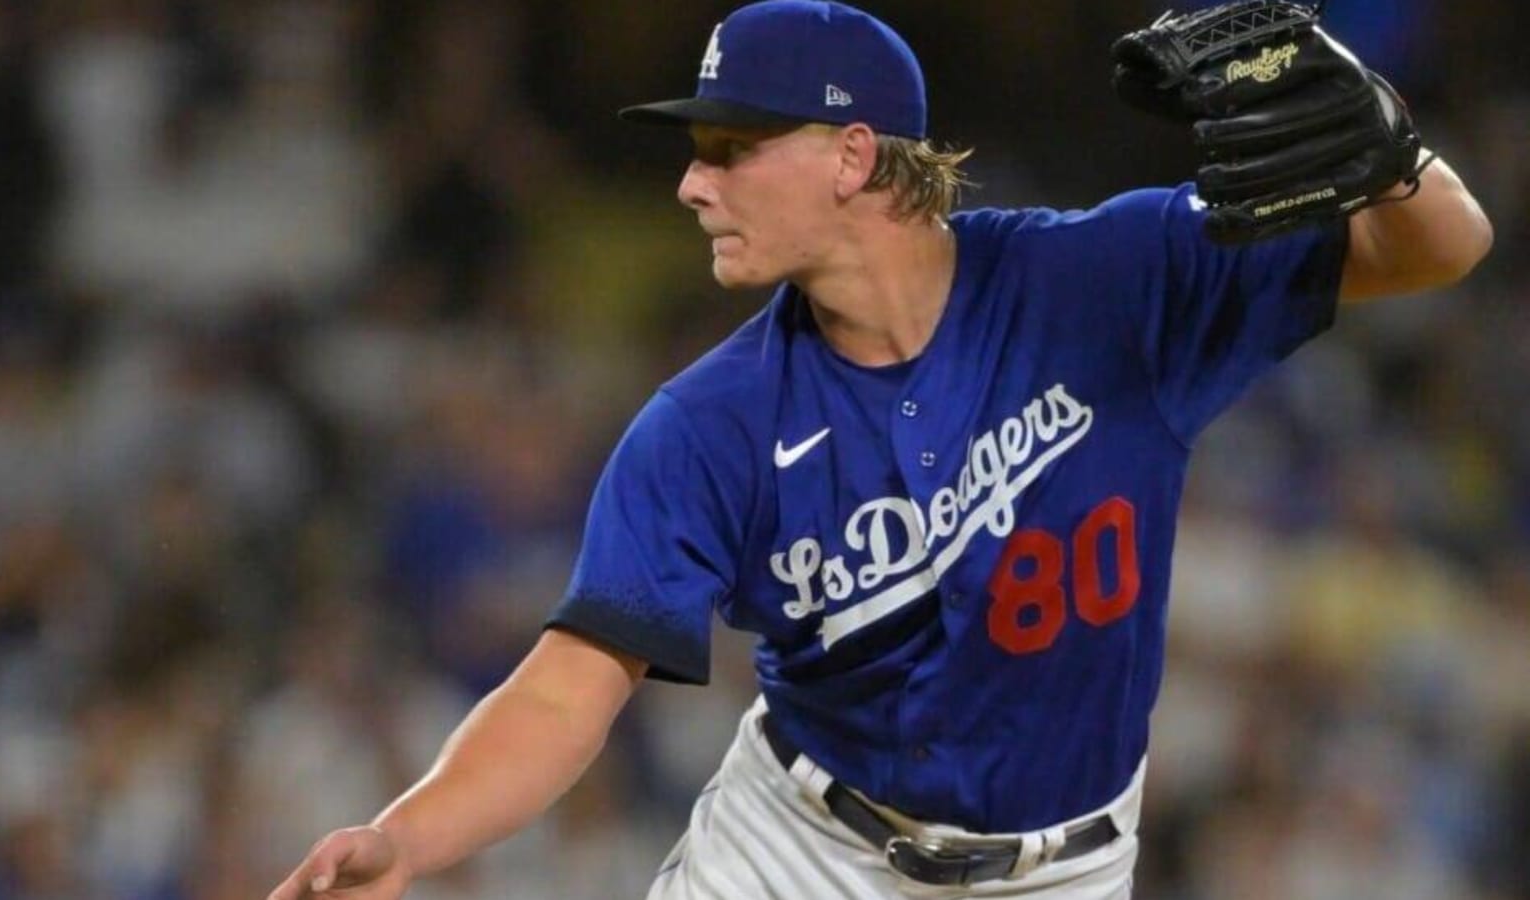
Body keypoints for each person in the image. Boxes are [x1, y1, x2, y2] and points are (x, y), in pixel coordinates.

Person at [267, 2, 1493, 898]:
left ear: (853, 155)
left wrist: (1384, 150)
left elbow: (1442, 246)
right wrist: (409, 838)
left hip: (1058, 873)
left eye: (731, 149)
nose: (692, 185)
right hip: (800, 855)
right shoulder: (708, 423)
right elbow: (563, 688)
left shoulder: (1100, 280)